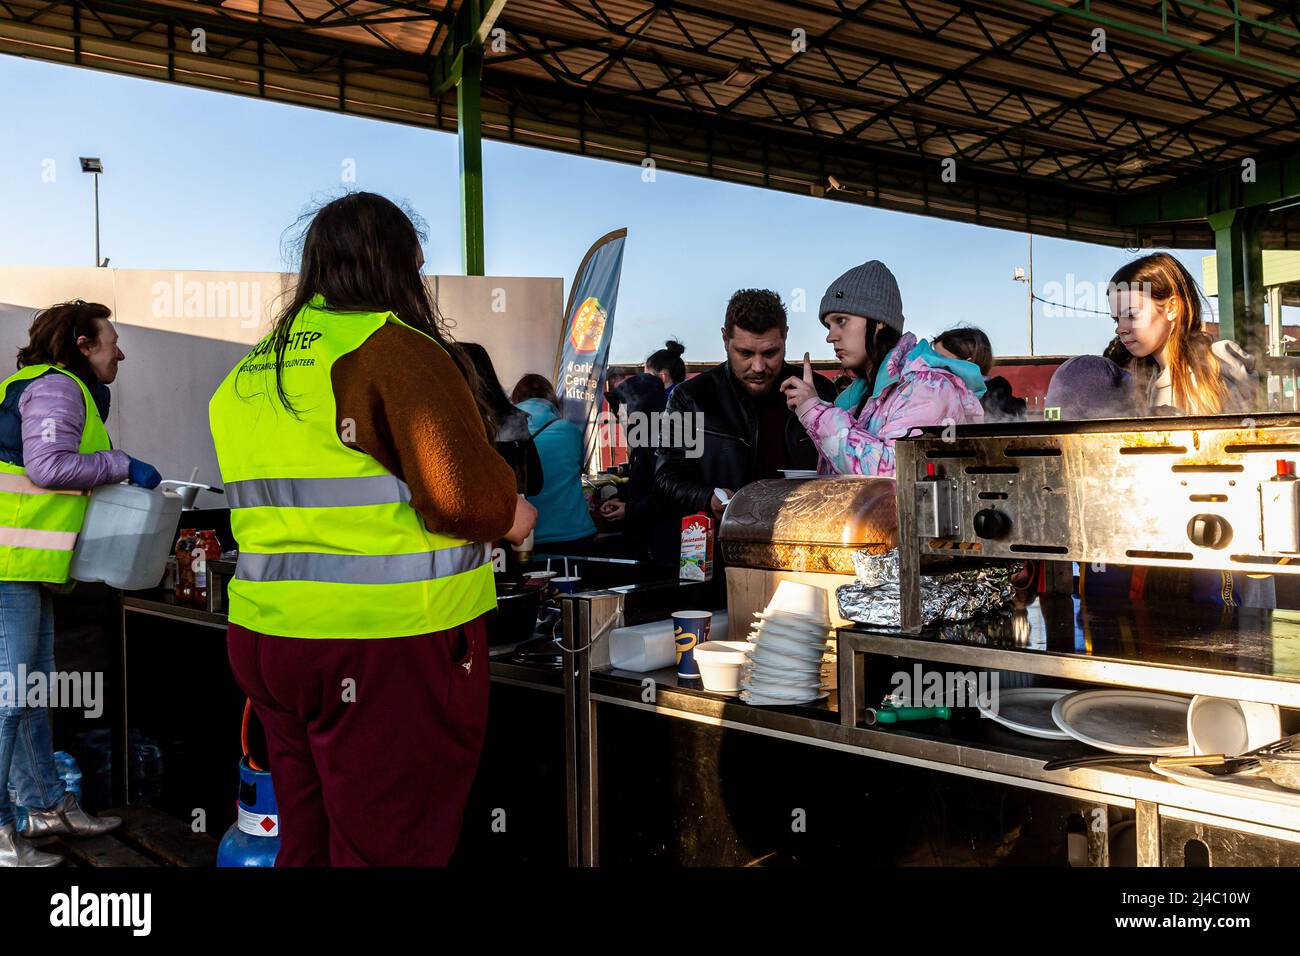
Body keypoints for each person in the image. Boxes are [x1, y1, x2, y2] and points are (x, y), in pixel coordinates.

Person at [209, 192, 536, 866]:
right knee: (391, 848)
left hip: (269, 642)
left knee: (310, 841)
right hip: (383, 648)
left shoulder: (250, 371)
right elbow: (461, 499)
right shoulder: (393, 349)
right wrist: (512, 512)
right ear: (399, 267)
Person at [0, 301, 160, 866]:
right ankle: (2, 831)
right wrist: (122, 463)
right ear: (82, 345)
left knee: (29, 694)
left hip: (27, 564)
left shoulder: (60, 388)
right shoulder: (58, 386)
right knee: (11, 697)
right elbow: (47, 467)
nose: (120, 350)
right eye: (110, 340)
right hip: (8, 565)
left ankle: (46, 804)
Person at [1043, 355, 1274, 608]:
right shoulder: (1082, 493)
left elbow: (1217, 601)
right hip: (1101, 635)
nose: (1070, 461)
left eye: (1079, 442)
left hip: (1182, 636)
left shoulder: (1178, 479)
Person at [781, 261, 985, 476]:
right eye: (828, 325)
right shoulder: (857, 396)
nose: (830, 336)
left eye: (841, 321)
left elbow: (895, 471)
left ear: (879, 322)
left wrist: (815, 413)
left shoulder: (929, 388)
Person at [655, 289, 837, 522]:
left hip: (803, 542)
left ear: (786, 337)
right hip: (724, 547)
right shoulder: (690, 397)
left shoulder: (819, 391)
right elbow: (666, 478)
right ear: (724, 339)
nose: (759, 366)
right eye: (745, 353)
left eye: (770, 352)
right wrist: (707, 498)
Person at [1109, 252, 1258, 415]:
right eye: (1117, 319)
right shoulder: (1151, 378)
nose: (1120, 329)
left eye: (1132, 315)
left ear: (1172, 307)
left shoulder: (1211, 372)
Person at [511, 374, 597, 547]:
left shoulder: (503, 434)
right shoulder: (570, 431)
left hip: (526, 537)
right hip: (575, 533)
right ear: (551, 399)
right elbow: (578, 469)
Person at [600, 372, 675, 564]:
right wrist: (619, 497)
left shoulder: (661, 441)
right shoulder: (645, 439)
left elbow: (671, 497)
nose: (619, 416)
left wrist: (630, 509)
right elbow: (645, 484)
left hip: (663, 547)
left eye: (624, 409)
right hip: (649, 543)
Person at [460, 342, 543, 496]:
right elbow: (534, 483)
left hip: (487, 515)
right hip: (515, 514)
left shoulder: (461, 422)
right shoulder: (514, 420)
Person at [933, 326, 1026, 422]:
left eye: (941, 359)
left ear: (967, 364)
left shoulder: (996, 399)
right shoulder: (933, 394)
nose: (931, 364)